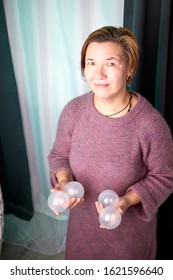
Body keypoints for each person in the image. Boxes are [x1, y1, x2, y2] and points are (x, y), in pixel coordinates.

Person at [48, 26, 173, 260]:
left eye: (111, 63)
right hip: (82, 234)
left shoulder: (150, 125)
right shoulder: (73, 111)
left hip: (128, 242)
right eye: (91, 63)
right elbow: (59, 156)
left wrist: (126, 201)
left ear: (130, 69)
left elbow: (164, 177)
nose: (98, 74)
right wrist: (64, 182)